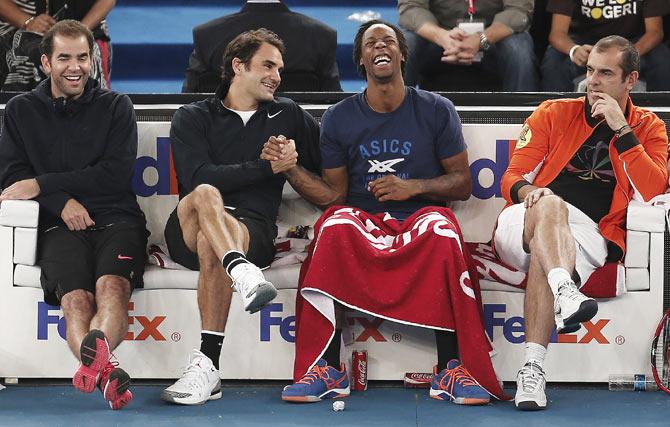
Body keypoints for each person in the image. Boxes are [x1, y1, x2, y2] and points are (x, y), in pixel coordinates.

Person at [268, 20, 506, 404]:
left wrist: (414, 187)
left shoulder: (436, 108)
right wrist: (291, 169)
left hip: (421, 216)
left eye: (389, 41)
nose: (380, 46)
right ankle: (327, 368)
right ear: (361, 60)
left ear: (401, 54)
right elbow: (334, 195)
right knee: (332, 226)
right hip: (364, 220)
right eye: (371, 43)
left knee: (443, 231)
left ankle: (451, 368)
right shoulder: (339, 117)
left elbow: (462, 183)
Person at [495, 35, 669, 410]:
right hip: (523, 221)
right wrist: (530, 195)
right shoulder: (552, 112)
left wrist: (623, 130)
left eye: (605, 73)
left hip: (588, 236)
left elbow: (653, 188)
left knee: (549, 253)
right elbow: (511, 177)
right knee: (551, 206)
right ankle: (567, 290)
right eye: (590, 70)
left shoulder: (649, 128)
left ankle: (532, 369)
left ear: (630, 80)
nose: (592, 81)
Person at [160, 28, 321, 405]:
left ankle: (207, 369)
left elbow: (329, 174)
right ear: (238, 66)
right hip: (188, 222)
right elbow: (197, 177)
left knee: (212, 241)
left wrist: (292, 167)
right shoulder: (191, 116)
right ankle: (241, 269)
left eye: (280, 69)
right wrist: (268, 169)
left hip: (252, 230)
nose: (276, 76)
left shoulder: (290, 115)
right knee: (204, 194)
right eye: (267, 65)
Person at [0, 20, 146, 410]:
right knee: (76, 302)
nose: (75, 67)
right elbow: (14, 177)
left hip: (117, 218)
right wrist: (60, 201)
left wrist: (44, 184)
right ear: (46, 63)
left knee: (112, 289)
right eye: (64, 58)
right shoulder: (21, 110)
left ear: (93, 59)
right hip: (56, 224)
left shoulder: (116, 106)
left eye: (83, 57)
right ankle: (107, 371)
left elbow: (115, 172)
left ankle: (97, 367)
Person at [182, 0, 341, 93]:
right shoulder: (320, 35)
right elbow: (332, 101)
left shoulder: (207, 35)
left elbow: (187, 100)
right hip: (299, 142)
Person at [397, 0, 539, 91]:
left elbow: (519, 10)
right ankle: (397, 119)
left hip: (493, 38)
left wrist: (482, 39)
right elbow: (411, 7)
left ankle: (524, 126)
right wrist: (442, 37)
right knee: (407, 44)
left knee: (519, 50)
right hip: (441, 38)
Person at [541, 0, 670, 91]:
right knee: (553, 62)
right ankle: (555, 117)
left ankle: (662, 118)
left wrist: (629, 53)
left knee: (662, 59)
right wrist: (574, 50)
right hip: (586, 44)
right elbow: (557, 33)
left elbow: (655, 32)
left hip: (632, 42)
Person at [0, 0, 114, 91]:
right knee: (28, 53)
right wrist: (27, 22)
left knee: (85, 54)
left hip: (87, 26)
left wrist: (78, 31)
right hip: (15, 27)